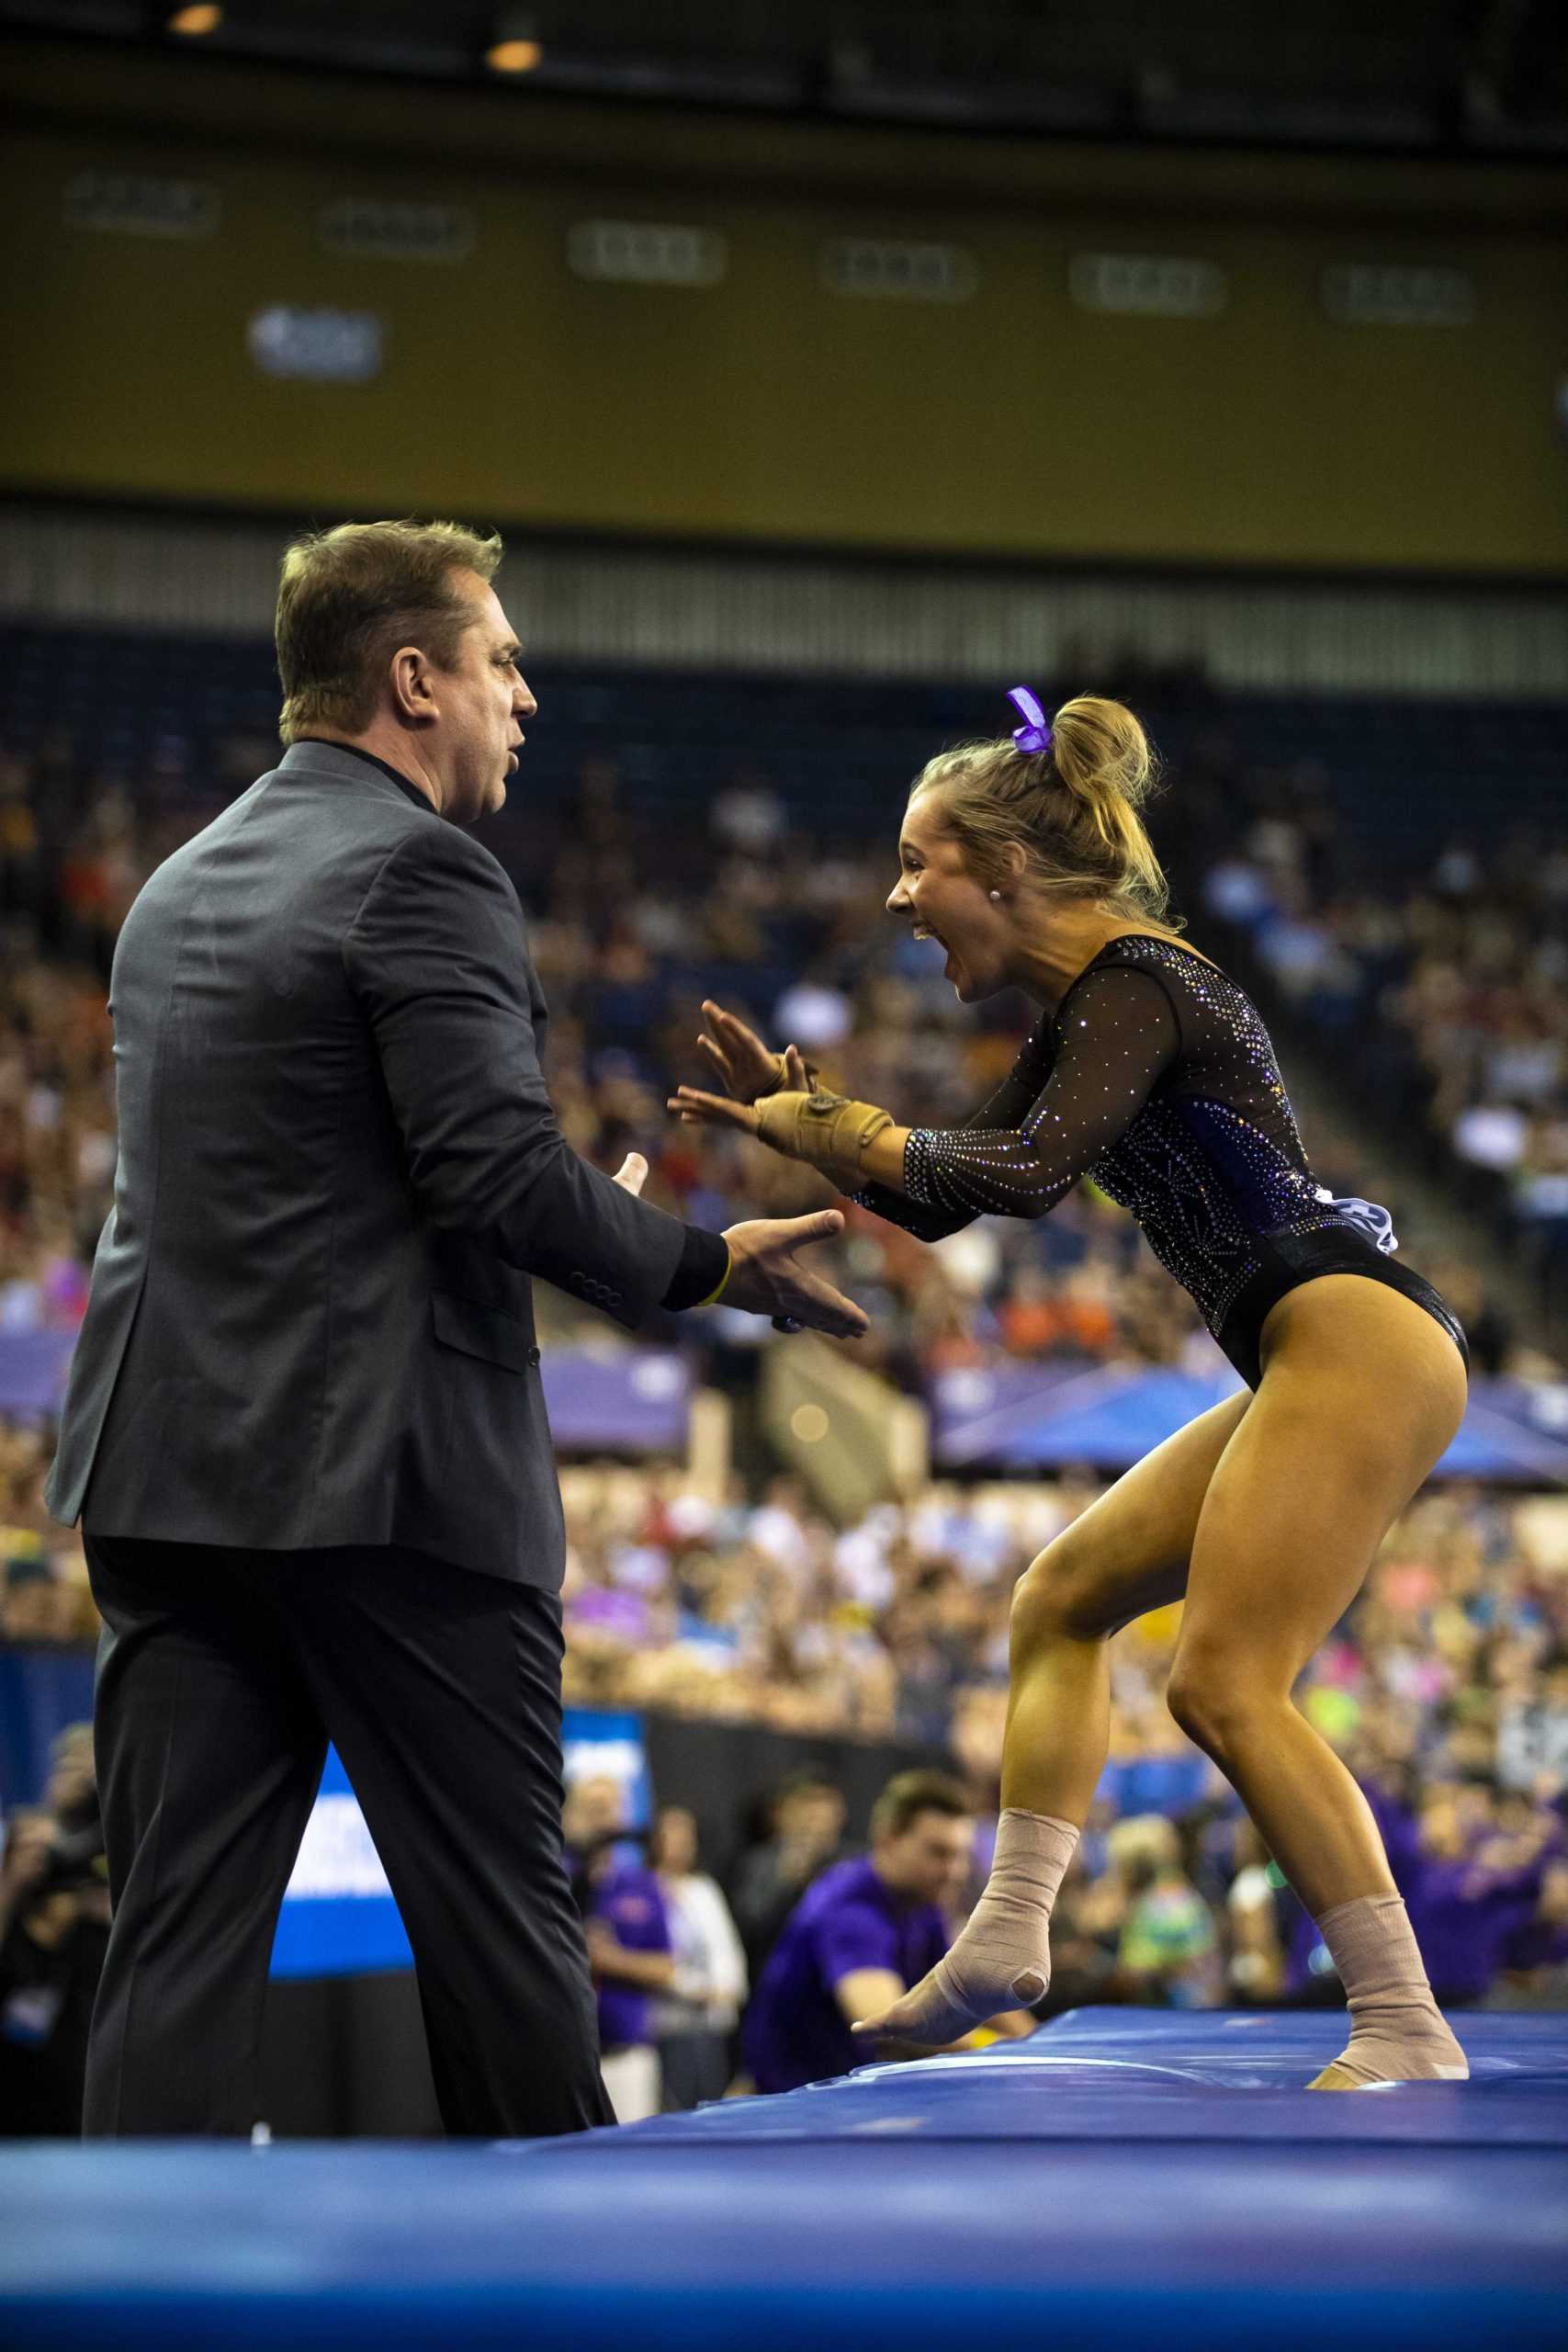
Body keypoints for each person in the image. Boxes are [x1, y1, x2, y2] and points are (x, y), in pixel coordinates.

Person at [42, 516, 868, 2140]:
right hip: (392, 1491)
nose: (525, 697)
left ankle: (126, 2303)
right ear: (410, 681)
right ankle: (560, 2301)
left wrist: (586, 1211)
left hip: (166, 1480)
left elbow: (336, 1183)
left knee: (176, 1948)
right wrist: (698, 1260)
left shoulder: (173, 887)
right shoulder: (425, 866)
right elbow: (490, 1171)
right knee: (500, 1944)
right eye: (500, 662)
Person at [670, 686, 1472, 2090]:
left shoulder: (1137, 985)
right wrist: (811, 1130)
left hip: (1353, 1334)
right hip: (1315, 1339)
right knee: (1057, 1596)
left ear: (1004, 870)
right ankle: (1005, 1932)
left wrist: (835, 1125)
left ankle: (1403, 2020)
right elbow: (944, 1206)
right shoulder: (1085, 1012)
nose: (897, 895)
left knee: (1223, 1680)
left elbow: (1023, 1177)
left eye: (919, 863)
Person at [742, 1770, 1029, 2095]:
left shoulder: (923, 1903)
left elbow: (969, 1991)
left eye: (961, 1855)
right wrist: (1010, 2049)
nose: (955, 1871)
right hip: (789, 2106)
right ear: (888, 1839)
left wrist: (1039, 2041)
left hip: (839, 2096)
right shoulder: (848, 1910)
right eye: (939, 1853)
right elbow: (889, 2025)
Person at [564, 1775, 673, 2125]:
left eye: (611, 1809)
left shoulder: (640, 1884)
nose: (604, 1819)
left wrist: (611, 1959)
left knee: (630, 2167)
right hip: (562, 2056)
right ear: (568, 1814)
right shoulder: (552, 1879)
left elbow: (666, 1968)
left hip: (626, 2057)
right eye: (593, 1808)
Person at [648, 1804, 748, 2110]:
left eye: (687, 1836)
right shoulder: (644, 1888)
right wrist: (693, 1989)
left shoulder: (704, 1888)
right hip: (668, 2026)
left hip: (710, 2026)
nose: (681, 1843)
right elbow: (655, 1958)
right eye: (673, 1835)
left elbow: (725, 1946)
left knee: (711, 2108)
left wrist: (729, 1988)